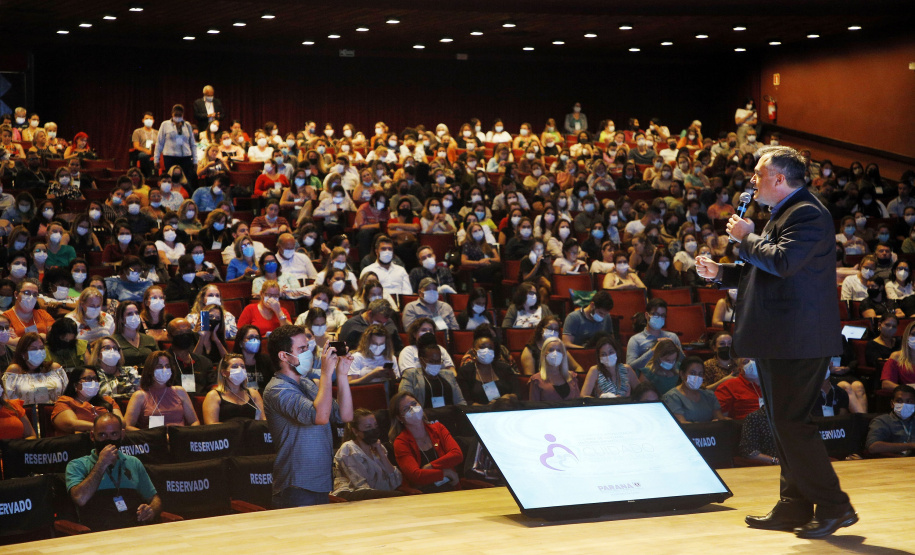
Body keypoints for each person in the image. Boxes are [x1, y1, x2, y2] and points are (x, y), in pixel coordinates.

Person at [696, 145, 855, 538]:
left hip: (798, 338)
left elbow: (783, 262)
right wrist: (722, 273)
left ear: (779, 178)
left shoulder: (807, 213)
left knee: (791, 423)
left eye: (758, 174)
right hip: (781, 338)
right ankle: (793, 506)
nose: (753, 180)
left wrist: (746, 237)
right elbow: (763, 270)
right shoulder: (783, 214)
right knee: (782, 423)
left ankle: (835, 506)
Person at [263, 325, 354, 508]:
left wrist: (342, 374)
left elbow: (344, 415)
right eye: (302, 349)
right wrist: (326, 373)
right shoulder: (276, 389)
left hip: (321, 481)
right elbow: (320, 417)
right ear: (284, 356)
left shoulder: (308, 383)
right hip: (296, 485)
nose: (308, 353)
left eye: (307, 347)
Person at [65, 413, 162, 531]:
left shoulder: (134, 463)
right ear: (92, 436)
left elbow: (155, 499)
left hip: (134, 531)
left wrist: (151, 509)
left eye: (114, 434)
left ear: (122, 435)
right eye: (102, 435)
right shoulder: (77, 465)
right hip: (97, 534)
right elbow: (80, 498)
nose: (108, 440)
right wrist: (101, 463)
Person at [390, 391, 464, 493]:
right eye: (406, 409)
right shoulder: (401, 442)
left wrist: (430, 466)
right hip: (424, 493)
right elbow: (416, 476)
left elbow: (457, 455)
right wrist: (445, 473)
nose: (412, 409)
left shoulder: (438, 428)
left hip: (451, 487)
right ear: (399, 418)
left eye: (414, 404)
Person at [332, 408, 406, 501]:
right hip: (350, 493)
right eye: (368, 427)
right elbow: (360, 485)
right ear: (355, 431)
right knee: (396, 497)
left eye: (375, 425)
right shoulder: (349, 449)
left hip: (373, 492)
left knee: (399, 496)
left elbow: (397, 481)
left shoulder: (379, 448)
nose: (373, 430)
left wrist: (382, 455)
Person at [124, 350, 200, 429]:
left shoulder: (180, 391)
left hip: (179, 435)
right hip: (152, 436)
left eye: (167, 366)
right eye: (159, 366)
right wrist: (146, 435)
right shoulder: (139, 396)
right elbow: (127, 426)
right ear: (150, 370)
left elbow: (194, 422)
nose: (164, 369)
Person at [51, 366, 123, 435]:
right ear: (75, 384)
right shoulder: (65, 401)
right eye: (88, 379)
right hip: (79, 441)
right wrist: (103, 427)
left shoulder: (108, 400)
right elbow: (71, 424)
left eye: (95, 379)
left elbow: (122, 422)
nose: (93, 382)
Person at [1, 332, 68, 403]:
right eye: (34, 349)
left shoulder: (55, 369)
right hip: (25, 409)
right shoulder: (15, 371)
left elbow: (69, 394)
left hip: (57, 408)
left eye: (41, 348)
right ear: (23, 353)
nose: (39, 351)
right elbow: (6, 399)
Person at [202, 354, 266, 424]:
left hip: (252, 430)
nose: (240, 369)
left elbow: (263, 420)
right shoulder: (213, 395)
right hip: (226, 431)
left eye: (242, 366)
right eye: (235, 367)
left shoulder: (253, 393)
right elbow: (211, 425)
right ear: (224, 373)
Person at [662, 356, 726, 423]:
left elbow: (720, 420)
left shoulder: (709, 395)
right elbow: (681, 424)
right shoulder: (672, 397)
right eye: (692, 373)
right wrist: (709, 425)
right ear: (682, 374)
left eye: (700, 374)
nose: (696, 377)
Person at [457, 334, 518, 404]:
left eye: (490, 348)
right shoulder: (465, 372)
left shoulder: (504, 368)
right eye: (482, 347)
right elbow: (466, 401)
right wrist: (486, 407)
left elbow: (517, 393)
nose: (486, 350)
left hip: (505, 408)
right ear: (474, 351)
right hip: (478, 410)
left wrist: (509, 397)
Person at [626, 298, 682, 372]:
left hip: (669, 376)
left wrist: (677, 349)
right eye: (655, 314)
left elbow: (683, 364)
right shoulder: (635, 340)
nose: (659, 318)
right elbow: (630, 368)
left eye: (662, 315)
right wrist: (653, 350)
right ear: (647, 315)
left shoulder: (672, 337)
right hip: (646, 377)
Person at [154, 105, 197, 191]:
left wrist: (195, 160)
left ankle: (187, 195)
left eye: (179, 115)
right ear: (172, 114)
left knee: (186, 180)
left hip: (186, 157)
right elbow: (159, 143)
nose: (177, 117)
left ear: (183, 115)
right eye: (176, 115)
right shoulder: (165, 124)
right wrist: (156, 159)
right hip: (170, 157)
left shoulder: (187, 125)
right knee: (172, 179)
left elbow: (193, 143)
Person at [864, 385, 915, 456]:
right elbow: (873, 447)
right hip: (892, 460)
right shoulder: (882, 421)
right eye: (899, 401)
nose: (904, 405)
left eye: (909, 401)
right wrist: (911, 446)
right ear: (892, 404)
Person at [4, 278, 55, 343]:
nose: (31, 297)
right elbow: (6, 341)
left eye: (35, 294)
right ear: (16, 294)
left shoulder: (43, 314)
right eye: (27, 293)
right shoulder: (5, 317)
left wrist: (19, 339)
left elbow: (54, 336)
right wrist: (41, 336)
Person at [529, 337, 581, 401]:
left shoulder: (572, 377)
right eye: (551, 350)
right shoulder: (536, 380)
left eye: (559, 350)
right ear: (544, 353)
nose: (555, 353)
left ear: (563, 354)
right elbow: (534, 405)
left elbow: (578, 403)